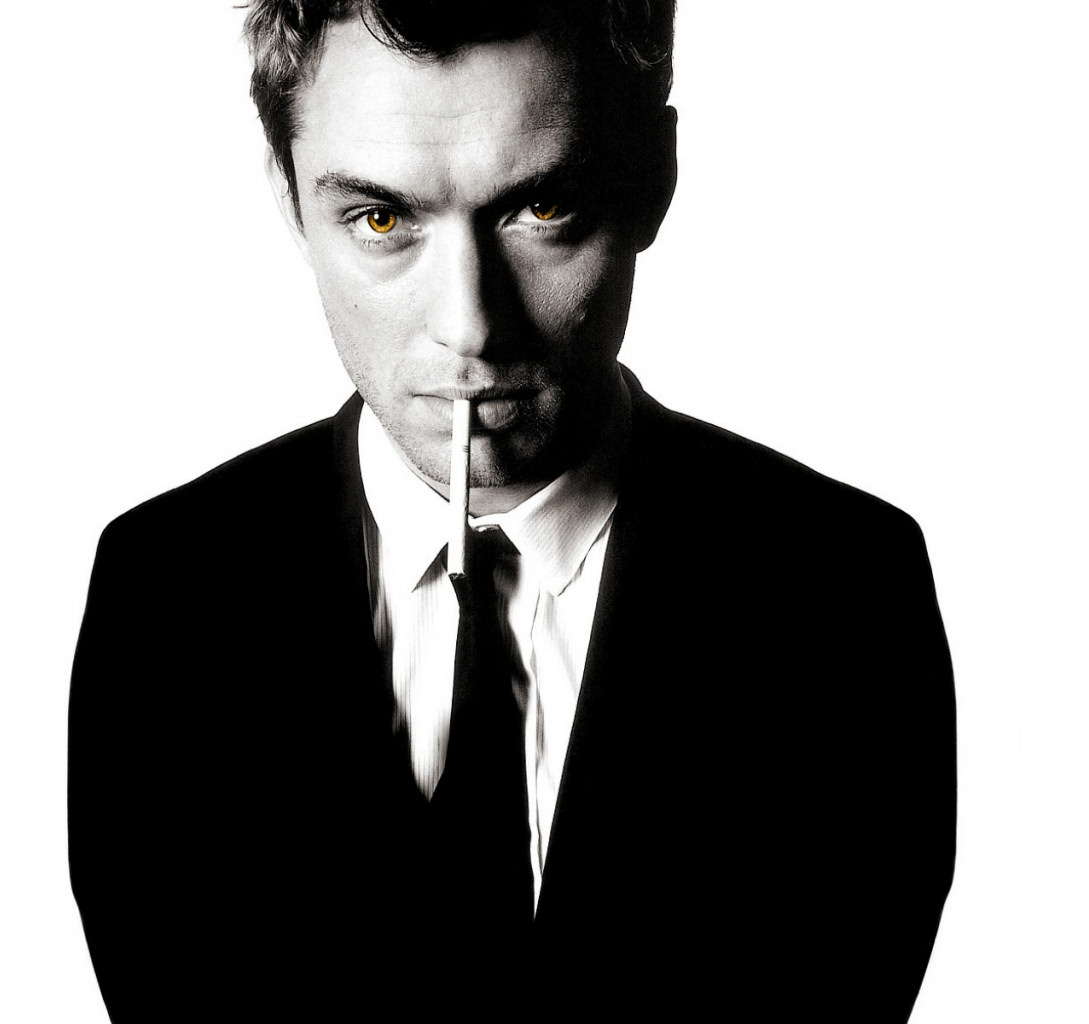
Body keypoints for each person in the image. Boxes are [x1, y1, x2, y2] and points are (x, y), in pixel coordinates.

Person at [68, 1, 955, 1019]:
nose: (468, 326)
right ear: (287, 194)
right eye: (381, 219)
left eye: (542, 207)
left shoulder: (846, 592)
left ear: (653, 175)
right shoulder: (162, 593)